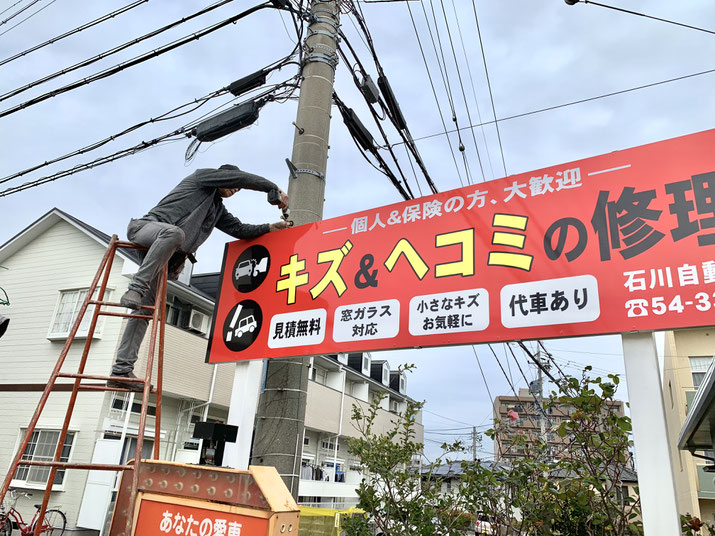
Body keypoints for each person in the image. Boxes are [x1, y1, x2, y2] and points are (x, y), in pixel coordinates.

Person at [108, 164, 290, 391]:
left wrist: (270, 227)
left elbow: (239, 229)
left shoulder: (217, 209)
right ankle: (135, 287)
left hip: (162, 256)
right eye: (234, 184)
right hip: (147, 229)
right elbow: (242, 178)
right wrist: (272, 188)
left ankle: (121, 370)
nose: (236, 189)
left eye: (238, 189)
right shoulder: (202, 178)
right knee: (173, 233)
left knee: (144, 312)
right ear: (223, 176)